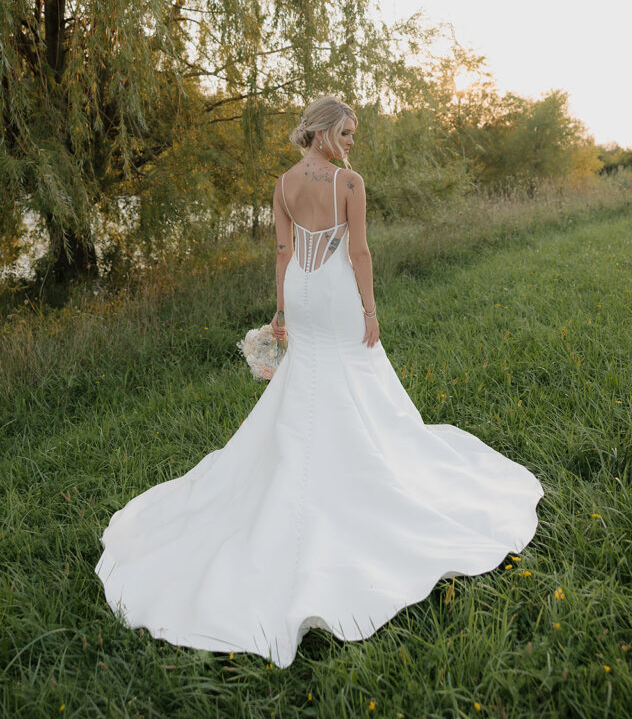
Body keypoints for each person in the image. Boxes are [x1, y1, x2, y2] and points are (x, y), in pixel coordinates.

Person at [96, 95, 543, 669]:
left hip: (303, 295)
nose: (354, 141)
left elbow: (283, 251)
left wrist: (281, 311)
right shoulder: (349, 184)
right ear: (326, 131)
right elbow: (358, 251)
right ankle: (352, 464)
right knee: (350, 369)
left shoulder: (283, 183)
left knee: (309, 379)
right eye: (349, 132)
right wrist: (372, 311)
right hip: (332, 291)